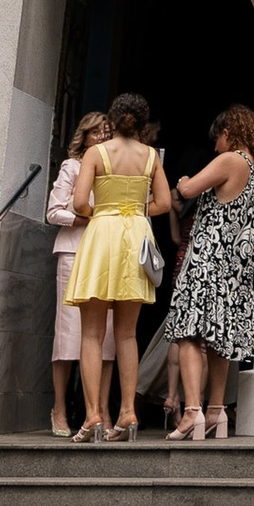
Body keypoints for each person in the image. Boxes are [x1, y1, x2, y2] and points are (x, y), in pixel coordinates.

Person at [60, 100, 170, 441]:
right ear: (140, 122)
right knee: (126, 334)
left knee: (92, 333)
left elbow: (79, 203)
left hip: (103, 232)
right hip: (136, 234)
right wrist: (136, 210)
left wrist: (104, 208)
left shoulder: (96, 154)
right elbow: (164, 204)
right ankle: (127, 412)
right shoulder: (151, 156)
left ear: (112, 120)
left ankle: (92, 415)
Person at [164, 105, 254, 443]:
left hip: (208, 259)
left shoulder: (230, 160)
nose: (215, 147)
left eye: (217, 139)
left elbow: (189, 190)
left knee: (190, 334)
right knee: (220, 339)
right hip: (234, 268)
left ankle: (192, 411)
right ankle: (215, 410)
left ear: (228, 132)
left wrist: (181, 181)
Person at [45, 111, 111, 437]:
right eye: (95, 132)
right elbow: (53, 211)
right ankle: (59, 408)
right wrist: (81, 218)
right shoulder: (71, 167)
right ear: (83, 136)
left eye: (106, 132)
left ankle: (98, 412)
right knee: (68, 336)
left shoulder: (113, 170)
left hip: (106, 257)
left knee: (106, 337)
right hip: (73, 253)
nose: (101, 136)